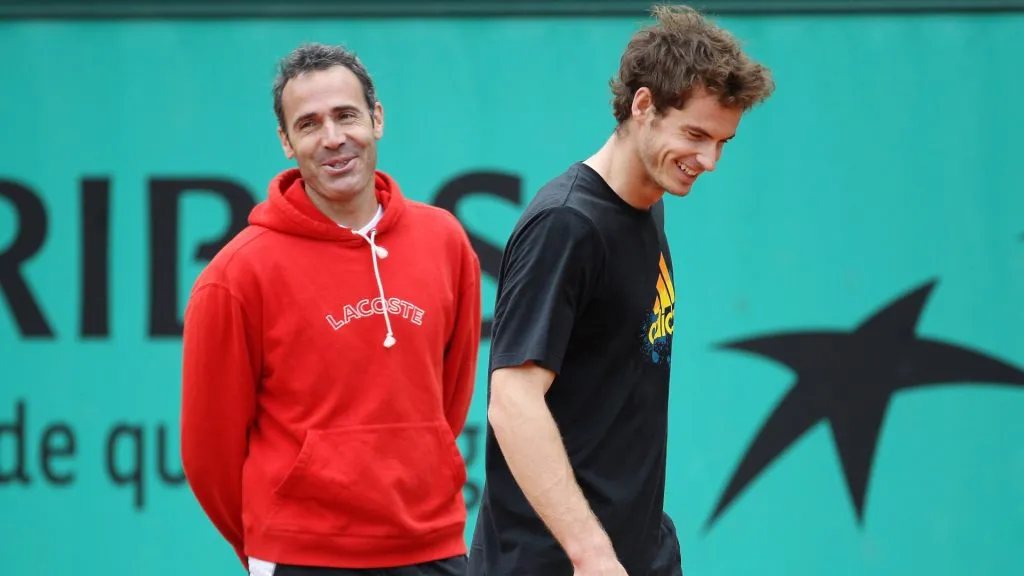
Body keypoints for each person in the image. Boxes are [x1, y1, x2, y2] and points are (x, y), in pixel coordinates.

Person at [466, 5, 775, 575]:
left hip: (637, 552)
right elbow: (513, 403)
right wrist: (592, 553)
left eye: (722, 141)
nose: (709, 160)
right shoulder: (566, 224)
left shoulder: (647, 204)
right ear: (643, 106)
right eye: (695, 135)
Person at [180, 42, 482, 576]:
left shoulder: (445, 241)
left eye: (346, 116)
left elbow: (449, 400)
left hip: (432, 545)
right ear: (286, 141)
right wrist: (273, 543)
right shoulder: (236, 276)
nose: (333, 138)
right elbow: (209, 454)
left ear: (377, 119)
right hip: (303, 556)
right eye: (309, 124)